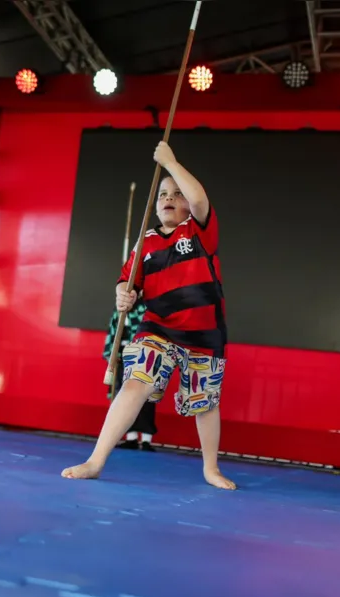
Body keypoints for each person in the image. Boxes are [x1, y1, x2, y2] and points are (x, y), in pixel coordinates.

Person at [62, 142, 236, 490]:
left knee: (204, 403)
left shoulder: (199, 230)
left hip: (205, 336)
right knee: (135, 382)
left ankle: (210, 468)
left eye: (176, 193)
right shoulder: (146, 242)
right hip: (157, 329)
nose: (169, 198)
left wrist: (171, 162)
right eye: (162, 195)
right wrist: (123, 294)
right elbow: (128, 283)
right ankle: (96, 460)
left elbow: (199, 200)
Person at [103, 301, 157, 450]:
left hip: (144, 357)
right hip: (123, 357)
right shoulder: (120, 307)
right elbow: (113, 330)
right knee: (124, 396)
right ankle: (131, 437)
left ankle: (146, 439)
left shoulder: (147, 307)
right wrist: (112, 354)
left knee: (146, 398)